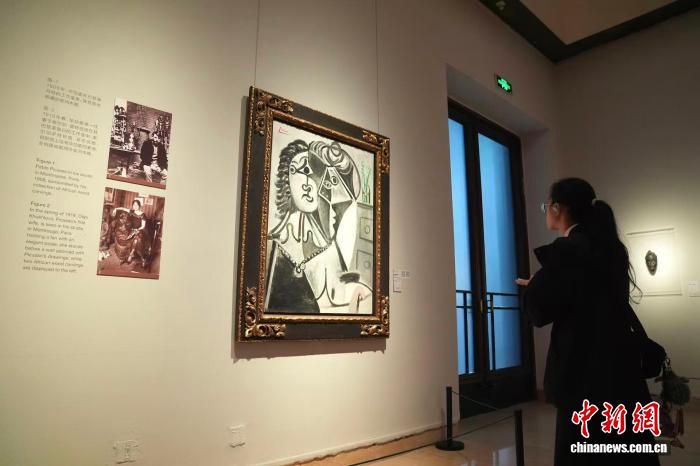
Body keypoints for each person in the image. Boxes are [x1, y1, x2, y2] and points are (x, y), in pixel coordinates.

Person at [516, 178, 660, 466]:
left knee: (581, 447)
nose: (546, 212)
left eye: (546, 206)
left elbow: (540, 311)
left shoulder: (568, 249)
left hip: (582, 368)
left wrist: (534, 286)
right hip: (620, 365)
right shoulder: (611, 249)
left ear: (558, 208)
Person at [265, 139, 371, 314]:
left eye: (313, 173)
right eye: (300, 171)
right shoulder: (273, 245)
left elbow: (337, 298)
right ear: (287, 180)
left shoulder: (326, 243)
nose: (308, 184)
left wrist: (356, 293)